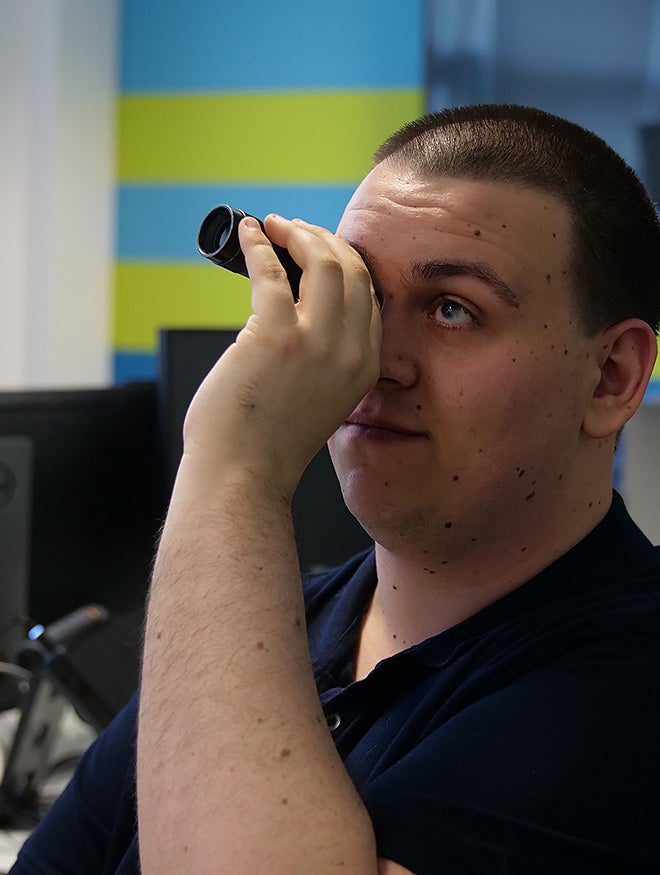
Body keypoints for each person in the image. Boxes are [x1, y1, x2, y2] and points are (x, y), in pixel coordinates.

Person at [9, 103, 660, 875]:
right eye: (363, 301)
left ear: (611, 376)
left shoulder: (630, 691)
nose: (373, 362)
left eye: (453, 308)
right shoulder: (283, 625)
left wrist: (235, 463)